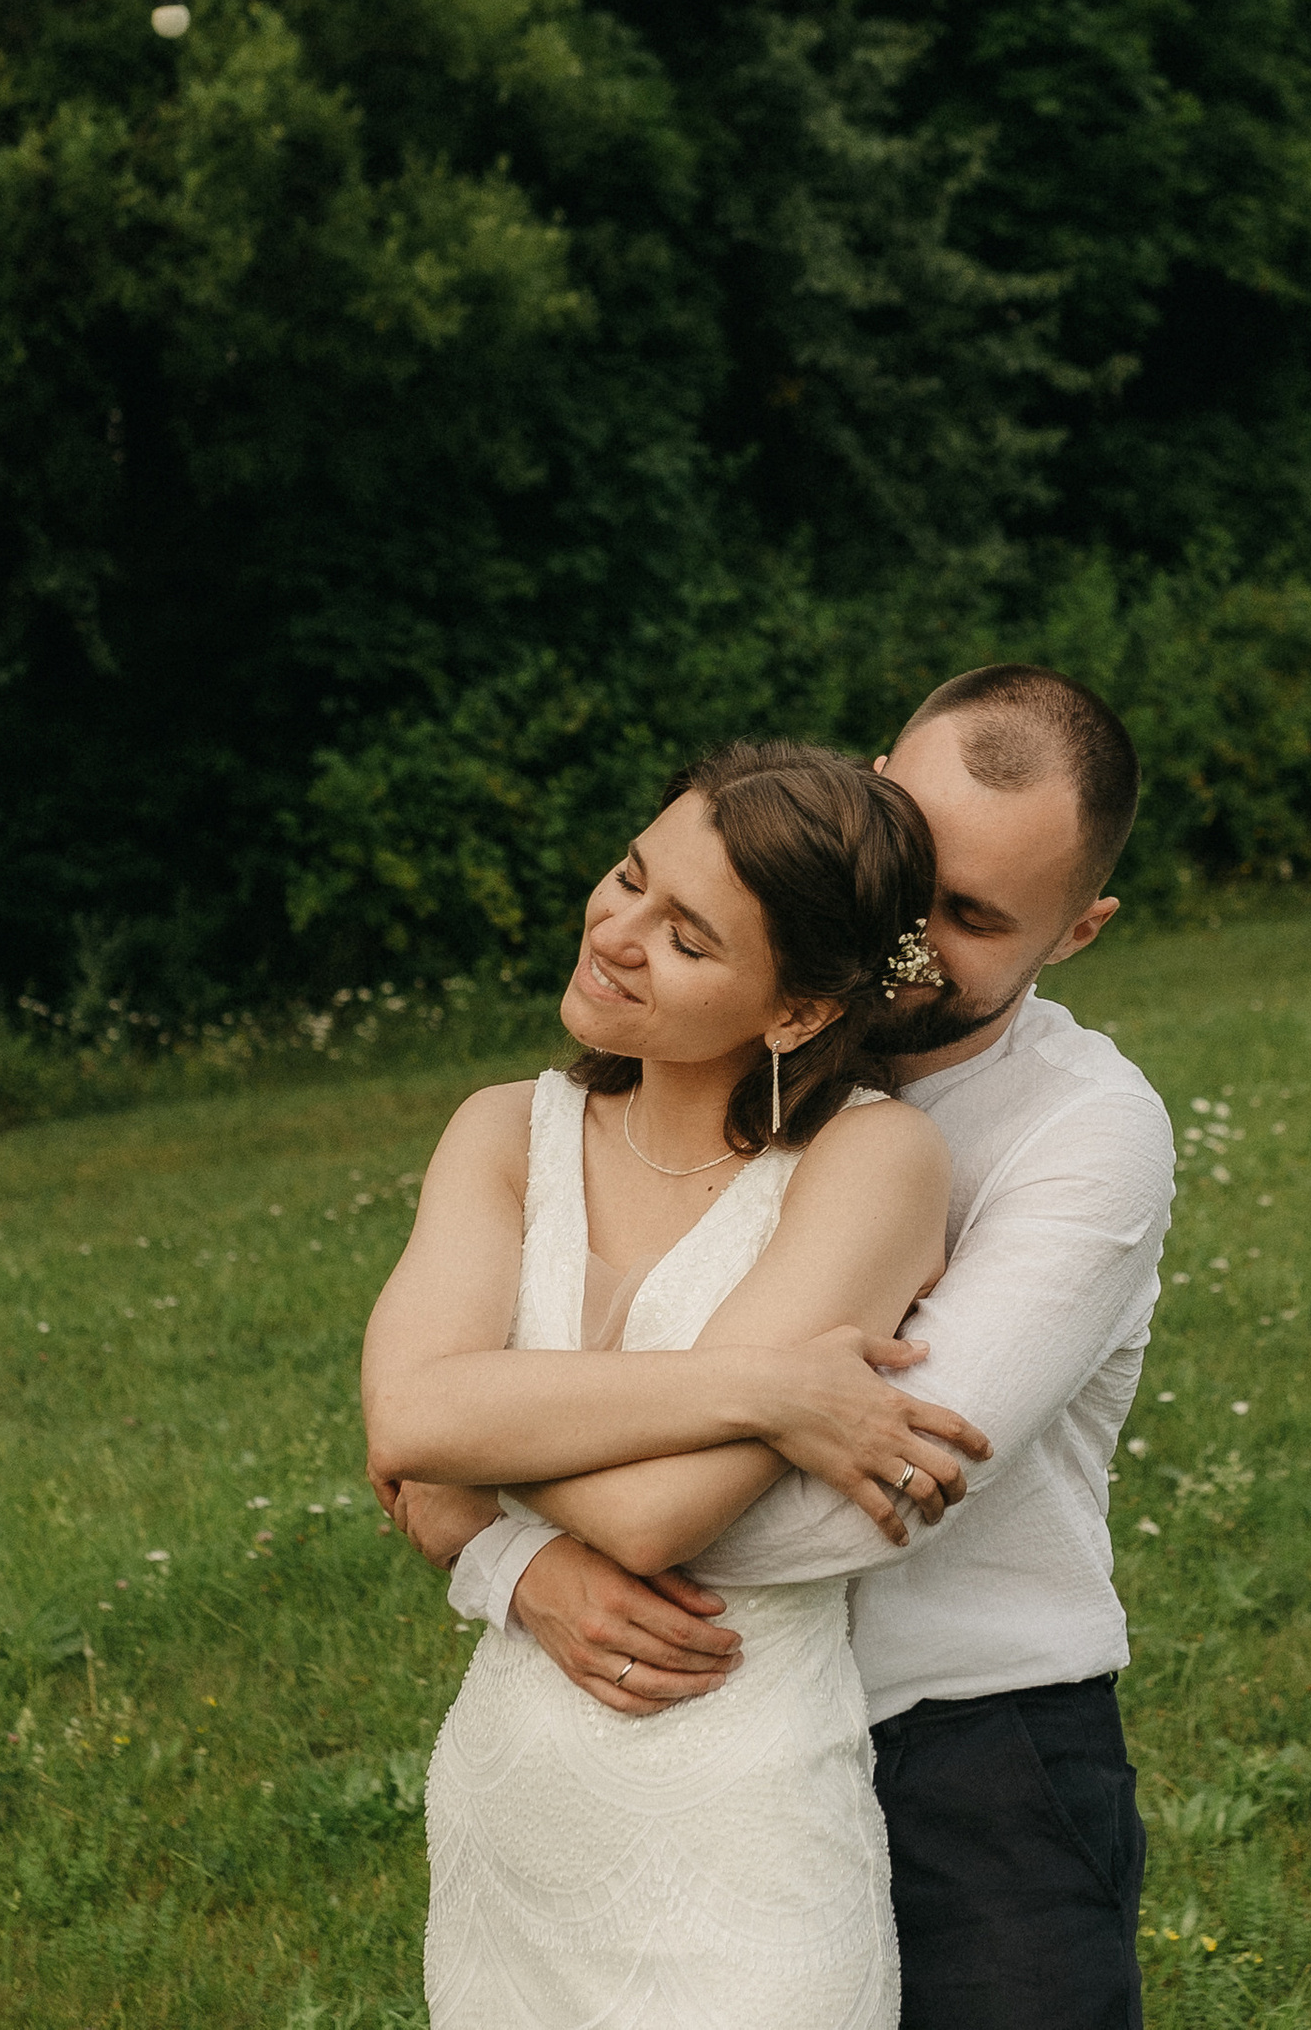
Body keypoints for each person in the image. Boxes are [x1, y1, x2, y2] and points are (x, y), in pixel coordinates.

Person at [376, 666, 1175, 2030]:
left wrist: (492, 1473)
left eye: (967, 917)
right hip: (642, 1735)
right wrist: (515, 1559)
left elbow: (868, 1503)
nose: (902, 939)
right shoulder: (640, 1089)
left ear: (1079, 929)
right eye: (899, 869)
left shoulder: (1077, 1135)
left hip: (971, 1747)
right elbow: (419, 1422)